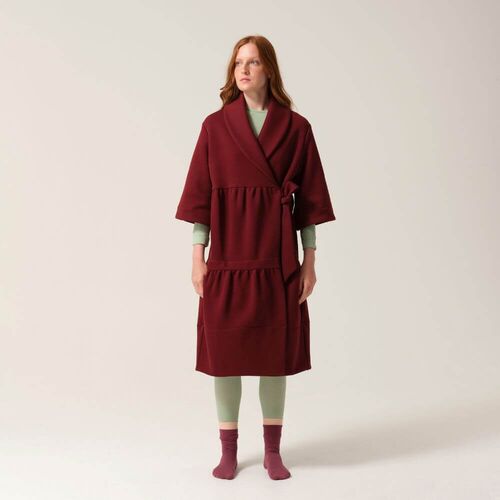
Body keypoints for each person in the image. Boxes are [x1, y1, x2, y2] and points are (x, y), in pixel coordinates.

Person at [175, 35, 336, 480]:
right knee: (224, 356)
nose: (243, 70)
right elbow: (201, 197)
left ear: (269, 70)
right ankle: (228, 451)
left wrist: (309, 262)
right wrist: (198, 257)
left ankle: (272, 451)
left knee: (273, 356)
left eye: (253, 62)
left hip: (277, 260)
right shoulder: (214, 127)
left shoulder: (297, 128)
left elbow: (309, 202)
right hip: (228, 257)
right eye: (238, 63)